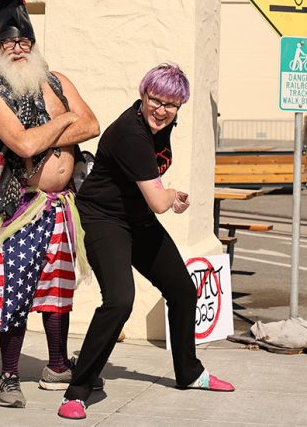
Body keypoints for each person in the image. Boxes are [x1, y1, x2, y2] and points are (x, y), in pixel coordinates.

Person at [57, 64, 234, 421]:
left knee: (183, 290)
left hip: (136, 219)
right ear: (143, 95)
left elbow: (152, 197)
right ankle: (78, 388)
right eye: (156, 100)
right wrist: (169, 195)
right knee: (120, 300)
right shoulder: (131, 134)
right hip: (103, 218)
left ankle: (190, 373)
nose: (162, 110)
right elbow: (157, 200)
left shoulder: (161, 126)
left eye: (171, 104)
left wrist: (169, 197)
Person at [0, 0, 100, 408]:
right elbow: (23, 144)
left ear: (34, 46)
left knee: (58, 289)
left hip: (63, 205)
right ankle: (7, 376)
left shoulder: (57, 80)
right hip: (19, 206)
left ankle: (57, 366)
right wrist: (65, 122)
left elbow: (93, 124)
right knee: (15, 289)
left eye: (24, 43)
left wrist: (50, 129)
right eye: (9, 44)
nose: (18, 49)